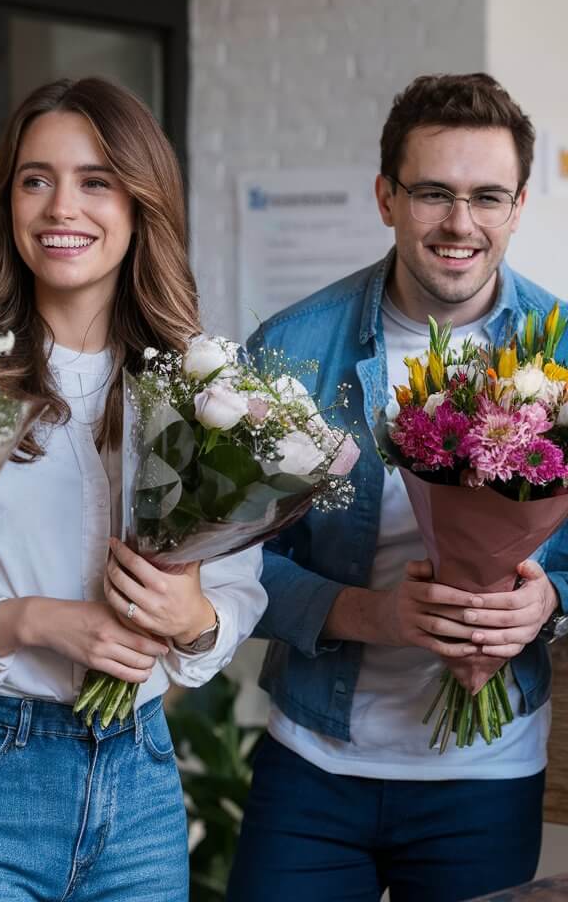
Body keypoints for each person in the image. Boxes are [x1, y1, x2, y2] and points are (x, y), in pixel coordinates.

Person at [0, 76, 267, 902]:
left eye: (96, 181)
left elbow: (235, 589)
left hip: (142, 782)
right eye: (36, 179)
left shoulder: (203, 388)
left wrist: (195, 622)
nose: (63, 207)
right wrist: (33, 622)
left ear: (139, 205)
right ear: (8, 200)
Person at [226, 72, 568, 902]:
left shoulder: (563, 355)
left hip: (485, 780)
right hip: (313, 765)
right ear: (386, 197)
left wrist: (549, 603)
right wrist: (368, 613)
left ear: (520, 205)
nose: (460, 224)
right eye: (432, 193)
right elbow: (221, 564)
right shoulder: (293, 349)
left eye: (488, 196)